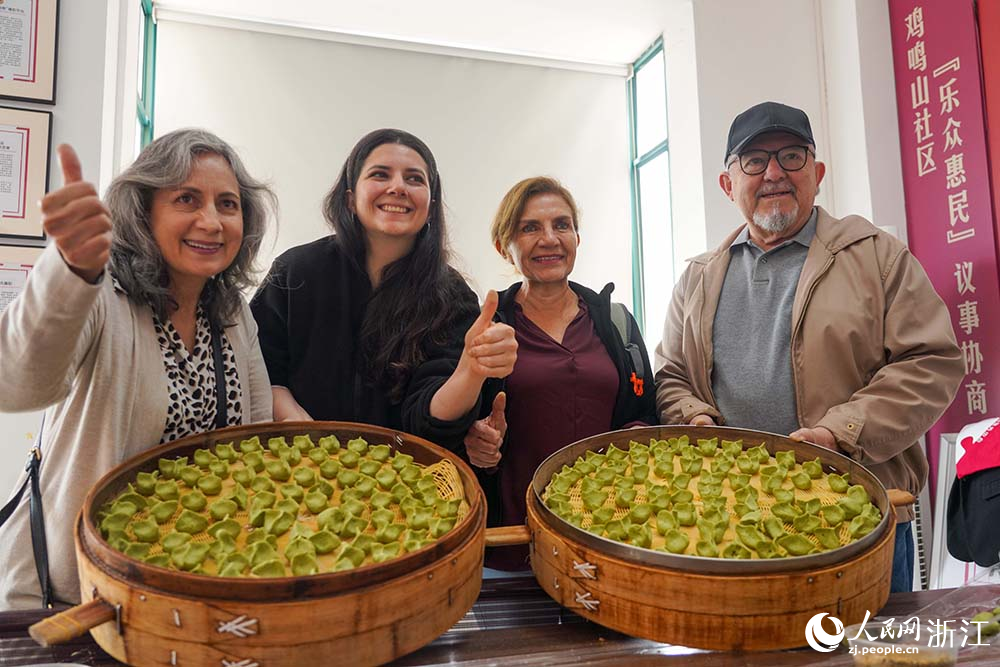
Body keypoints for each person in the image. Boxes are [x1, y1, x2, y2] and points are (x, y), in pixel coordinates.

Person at [654, 101, 965, 592]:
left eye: (792, 156)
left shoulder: (876, 256)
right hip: (733, 529)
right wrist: (696, 420)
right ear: (727, 183)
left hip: (857, 518)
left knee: (871, 657)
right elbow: (670, 375)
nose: (775, 173)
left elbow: (932, 361)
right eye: (754, 160)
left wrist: (839, 433)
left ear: (817, 173)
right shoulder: (698, 277)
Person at [0, 129, 276, 608]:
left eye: (227, 204)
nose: (211, 221)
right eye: (187, 199)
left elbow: (253, 443)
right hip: (78, 595)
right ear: (144, 211)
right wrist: (70, 269)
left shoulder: (233, 313)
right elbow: (16, 384)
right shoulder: (104, 296)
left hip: (191, 593)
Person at [251, 129, 516, 451]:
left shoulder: (452, 295)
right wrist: (309, 434)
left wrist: (470, 370)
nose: (397, 188)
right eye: (380, 174)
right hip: (297, 469)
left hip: (405, 480)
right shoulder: (296, 271)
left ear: (431, 206)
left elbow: (430, 422)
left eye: (414, 179)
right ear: (350, 197)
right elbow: (262, 372)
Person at [465, 177, 657, 570]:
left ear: (577, 239)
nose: (549, 239)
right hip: (513, 543)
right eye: (530, 227)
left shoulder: (615, 320)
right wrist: (476, 440)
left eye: (562, 225)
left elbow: (645, 409)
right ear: (505, 247)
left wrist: (639, 433)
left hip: (610, 537)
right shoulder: (487, 326)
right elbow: (458, 418)